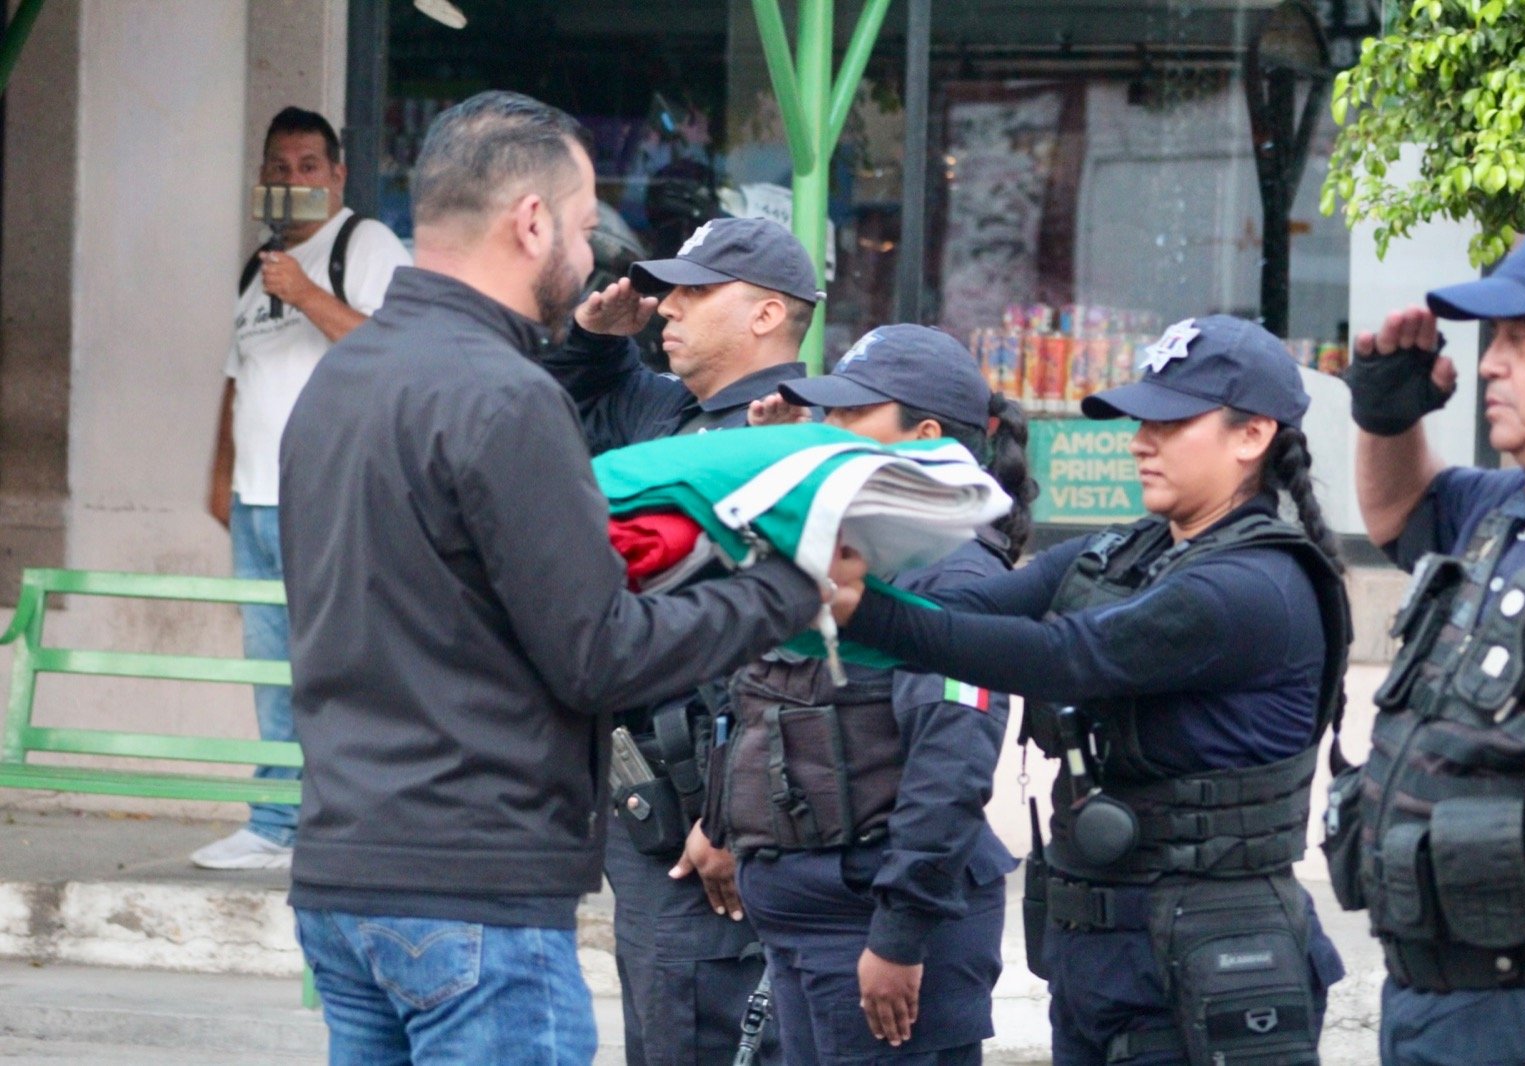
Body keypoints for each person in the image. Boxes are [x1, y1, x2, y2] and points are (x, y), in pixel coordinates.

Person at [276, 90, 860, 1065]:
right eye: (588, 228)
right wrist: (788, 590)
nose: (599, 265)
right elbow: (597, 653)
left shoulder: (345, 376)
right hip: (472, 884)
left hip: (345, 870)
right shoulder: (502, 398)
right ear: (533, 222)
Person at [830, 315, 1349, 1066]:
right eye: (1142, 421)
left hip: (1214, 956)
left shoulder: (1252, 586)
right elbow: (961, 613)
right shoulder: (1127, 549)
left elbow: (1067, 656)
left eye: (1170, 423)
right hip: (1104, 954)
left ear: (1252, 435)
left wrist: (866, 610)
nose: (1141, 441)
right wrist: (834, 569)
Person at [706, 324, 1033, 1064]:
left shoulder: (954, 577)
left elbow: (950, 766)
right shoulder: (859, 551)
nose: (831, 430)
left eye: (854, 415)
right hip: (808, 918)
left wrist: (899, 934)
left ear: (923, 437)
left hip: (874, 927)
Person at [541, 215, 823, 1065]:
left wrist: (731, 813)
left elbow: (785, 651)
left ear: (766, 314)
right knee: (660, 1027)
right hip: (646, 800)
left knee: (703, 1028)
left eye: (697, 291)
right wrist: (592, 341)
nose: (668, 305)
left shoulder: (792, 435)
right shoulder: (669, 412)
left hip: (716, 817)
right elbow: (550, 419)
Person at [1337, 213, 1525, 1066]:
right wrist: (1386, 420)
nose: (1490, 360)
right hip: (1439, 996)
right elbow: (1400, 513)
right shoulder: (1513, 504)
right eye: (1493, 337)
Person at [193, 106, 410, 871]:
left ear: (338, 174)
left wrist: (307, 292)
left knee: (333, 662)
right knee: (271, 669)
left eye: (309, 166)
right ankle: (275, 820)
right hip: (257, 502)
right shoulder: (257, 267)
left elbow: (393, 351)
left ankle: (333, 821)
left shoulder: (365, 244)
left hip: (331, 494)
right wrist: (220, 483)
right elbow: (237, 379)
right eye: (280, 168)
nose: (293, 180)